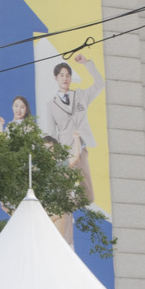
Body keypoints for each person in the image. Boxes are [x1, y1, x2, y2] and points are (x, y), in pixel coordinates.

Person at [43, 51, 103, 205]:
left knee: (88, 196)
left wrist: (87, 63)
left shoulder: (81, 95)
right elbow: (51, 133)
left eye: (67, 75)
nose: (65, 78)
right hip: (64, 153)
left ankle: (67, 208)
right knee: (61, 191)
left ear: (70, 78)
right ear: (56, 78)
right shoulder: (51, 104)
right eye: (61, 75)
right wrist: (53, 156)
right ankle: (61, 212)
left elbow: (100, 84)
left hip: (81, 150)